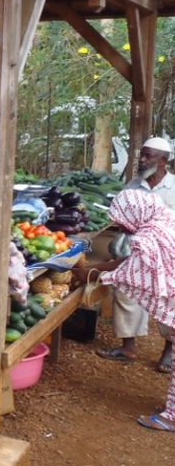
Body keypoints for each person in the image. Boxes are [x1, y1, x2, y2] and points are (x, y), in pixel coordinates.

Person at [73, 190, 175, 431]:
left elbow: (128, 274)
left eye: (122, 222)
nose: (121, 227)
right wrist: (96, 269)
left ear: (134, 213)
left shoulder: (150, 238)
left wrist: (91, 273)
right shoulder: (162, 221)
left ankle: (171, 417)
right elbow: (127, 262)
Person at [92, 138, 175, 373]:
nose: (143, 160)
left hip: (167, 258)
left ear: (163, 161)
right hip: (137, 252)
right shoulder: (133, 186)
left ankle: (168, 351)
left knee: (169, 301)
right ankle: (128, 346)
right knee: (125, 291)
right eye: (142, 155)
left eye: (149, 156)